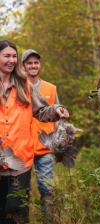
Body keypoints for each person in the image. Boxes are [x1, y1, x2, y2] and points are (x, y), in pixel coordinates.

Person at [0, 40, 69, 224]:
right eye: (7, 56)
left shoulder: (24, 85)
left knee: (17, 216)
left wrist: (57, 110)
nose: (11, 60)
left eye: (14, 56)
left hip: (19, 162)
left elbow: (42, 110)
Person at [22, 49, 59, 212]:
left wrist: (57, 143)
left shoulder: (51, 88)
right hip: (23, 148)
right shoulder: (19, 88)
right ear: (23, 66)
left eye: (36, 62)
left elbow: (56, 116)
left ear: (40, 65)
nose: (33, 65)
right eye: (29, 63)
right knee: (22, 192)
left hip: (45, 148)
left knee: (47, 190)